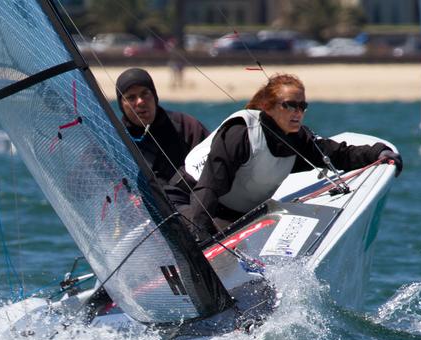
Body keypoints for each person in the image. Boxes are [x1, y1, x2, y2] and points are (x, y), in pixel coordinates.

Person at [185, 73, 403, 238]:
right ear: (267, 106)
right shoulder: (241, 134)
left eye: (302, 106)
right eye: (290, 105)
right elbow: (208, 190)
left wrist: (378, 152)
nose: (297, 112)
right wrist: (201, 237)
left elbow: (338, 154)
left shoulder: (298, 139)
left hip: (234, 216)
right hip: (189, 202)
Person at [116, 67, 208, 210]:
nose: (140, 102)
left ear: (154, 95)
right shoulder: (115, 141)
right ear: (122, 105)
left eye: (145, 93)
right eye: (131, 97)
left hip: (199, 207)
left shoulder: (186, 126)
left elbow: (213, 167)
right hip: (148, 218)